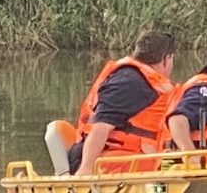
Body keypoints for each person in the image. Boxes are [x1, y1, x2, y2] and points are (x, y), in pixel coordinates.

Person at [73, 30, 183, 173]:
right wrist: (86, 168)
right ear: (167, 59)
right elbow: (101, 127)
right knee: (176, 167)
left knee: (179, 162)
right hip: (108, 162)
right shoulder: (129, 83)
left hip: (137, 158)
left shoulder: (147, 83)